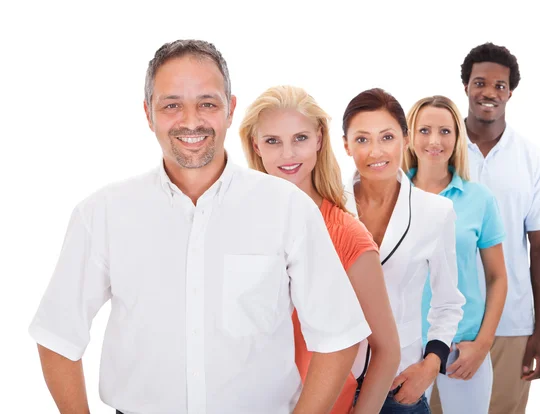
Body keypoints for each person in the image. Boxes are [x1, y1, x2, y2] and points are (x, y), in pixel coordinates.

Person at [28, 40, 372, 414]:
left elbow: (338, 336)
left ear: (230, 110)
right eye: (172, 105)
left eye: (207, 103)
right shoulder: (102, 214)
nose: (191, 121)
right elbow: (57, 336)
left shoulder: (288, 209)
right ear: (149, 114)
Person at [239, 85, 400, 414]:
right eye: (273, 141)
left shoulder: (347, 235)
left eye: (300, 138)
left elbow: (387, 351)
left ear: (319, 140)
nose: (288, 155)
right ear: (256, 145)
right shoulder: (239, 227)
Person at [342, 88, 465, 414]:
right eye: (362, 139)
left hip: (399, 388)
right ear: (346, 145)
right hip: (334, 383)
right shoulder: (328, 207)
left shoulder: (435, 213)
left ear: (405, 139)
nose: (375, 151)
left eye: (387, 137)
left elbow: (448, 302)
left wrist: (429, 366)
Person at [461, 42, 540, 414]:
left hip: (511, 324)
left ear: (510, 93)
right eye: (480, 82)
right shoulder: (437, 150)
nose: (489, 92)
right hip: (440, 321)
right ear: (467, 87)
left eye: (499, 85)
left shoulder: (532, 160)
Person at [403, 95, 508, 414]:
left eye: (445, 131)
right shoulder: (392, 197)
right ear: (409, 137)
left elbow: (498, 276)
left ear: (457, 138)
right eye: (424, 130)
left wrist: (483, 344)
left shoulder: (479, 199)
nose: (434, 140)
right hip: (403, 345)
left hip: (462, 346)